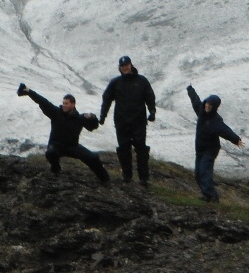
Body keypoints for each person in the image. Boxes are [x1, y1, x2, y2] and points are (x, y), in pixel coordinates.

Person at [17, 83, 109, 184]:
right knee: (50, 153)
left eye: (67, 103)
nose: (64, 105)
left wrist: (92, 118)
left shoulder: (79, 118)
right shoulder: (56, 113)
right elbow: (42, 101)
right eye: (63, 103)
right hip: (56, 145)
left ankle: (105, 179)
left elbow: (93, 126)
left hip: (72, 146)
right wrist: (29, 92)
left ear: (73, 104)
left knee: (93, 158)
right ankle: (56, 169)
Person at [100, 55, 156, 186]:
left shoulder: (142, 81)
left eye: (126, 65)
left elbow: (150, 96)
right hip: (121, 122)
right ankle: (127, 176)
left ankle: (143, 178)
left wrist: (152, 111)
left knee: (141, 149)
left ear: (131, 65)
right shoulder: (115, 83)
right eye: (122, 66)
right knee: (124, 149)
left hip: (139, 121)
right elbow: (107, 99)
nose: (125, 68)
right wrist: (103, 115)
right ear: (119, 68)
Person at [187, 85, 245, 203]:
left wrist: (236, 140)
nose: (208, 106)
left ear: (215, 107)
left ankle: (211, 197)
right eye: (207, 103)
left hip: (210, 150)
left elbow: (225, 131)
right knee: (198, 174)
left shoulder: (216, 120)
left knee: (204, 171)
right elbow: (195, 100)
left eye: (211, 105)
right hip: (200, 149)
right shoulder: (201, 110)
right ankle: (208, 195)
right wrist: (190, 90)